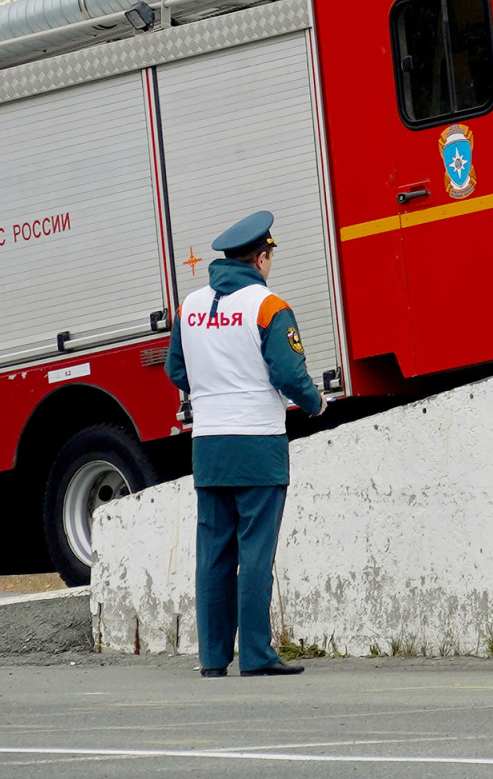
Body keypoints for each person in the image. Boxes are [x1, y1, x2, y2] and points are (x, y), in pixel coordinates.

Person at [165, 210, 326, 677]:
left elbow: (176, 370)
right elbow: (289, 374)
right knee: (255, 552)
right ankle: (256, 655)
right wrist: (315, 404)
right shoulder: (269, 306)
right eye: (270, 257)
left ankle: (213, 658)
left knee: (213, 553)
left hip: (209, 447)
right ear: (260, 258)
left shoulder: (190, 307)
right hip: (258, 444)